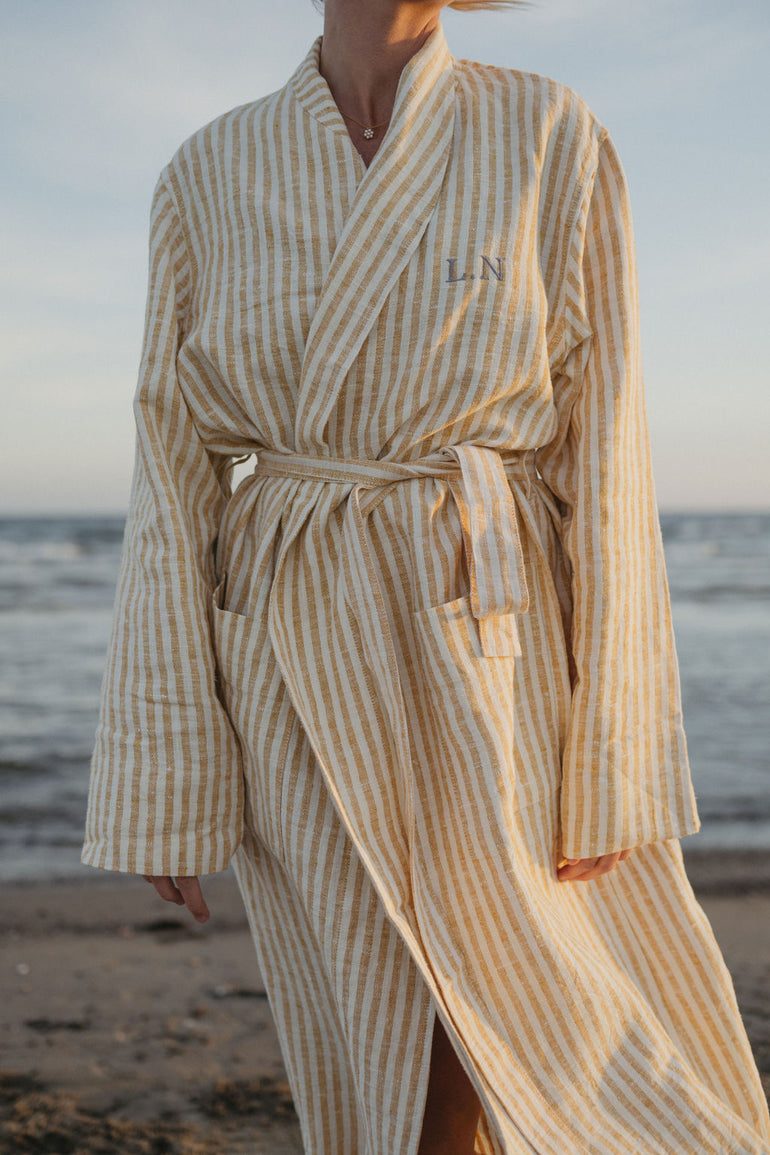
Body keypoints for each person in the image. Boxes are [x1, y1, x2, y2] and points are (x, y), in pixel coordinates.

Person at [80, 1, 770, 1152]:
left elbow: (602, 453)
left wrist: (616, 750)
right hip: (292, 650)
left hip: (489, 637)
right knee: (376, 1011)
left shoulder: (547, 131)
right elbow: (171, 472)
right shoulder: (206, 171)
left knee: (531, 1009)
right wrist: (165, 777)